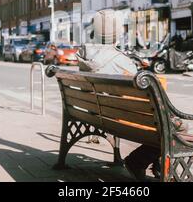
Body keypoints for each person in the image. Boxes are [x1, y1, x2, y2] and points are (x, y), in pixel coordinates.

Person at [76, 10, 186, 181]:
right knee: (176, 127)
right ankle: (138, 161)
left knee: (163, 123)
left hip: (98, 115)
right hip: (122, 119)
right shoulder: (122, 61)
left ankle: (156, 164)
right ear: (117, 33)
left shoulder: (84, 56)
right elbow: (140, 94)